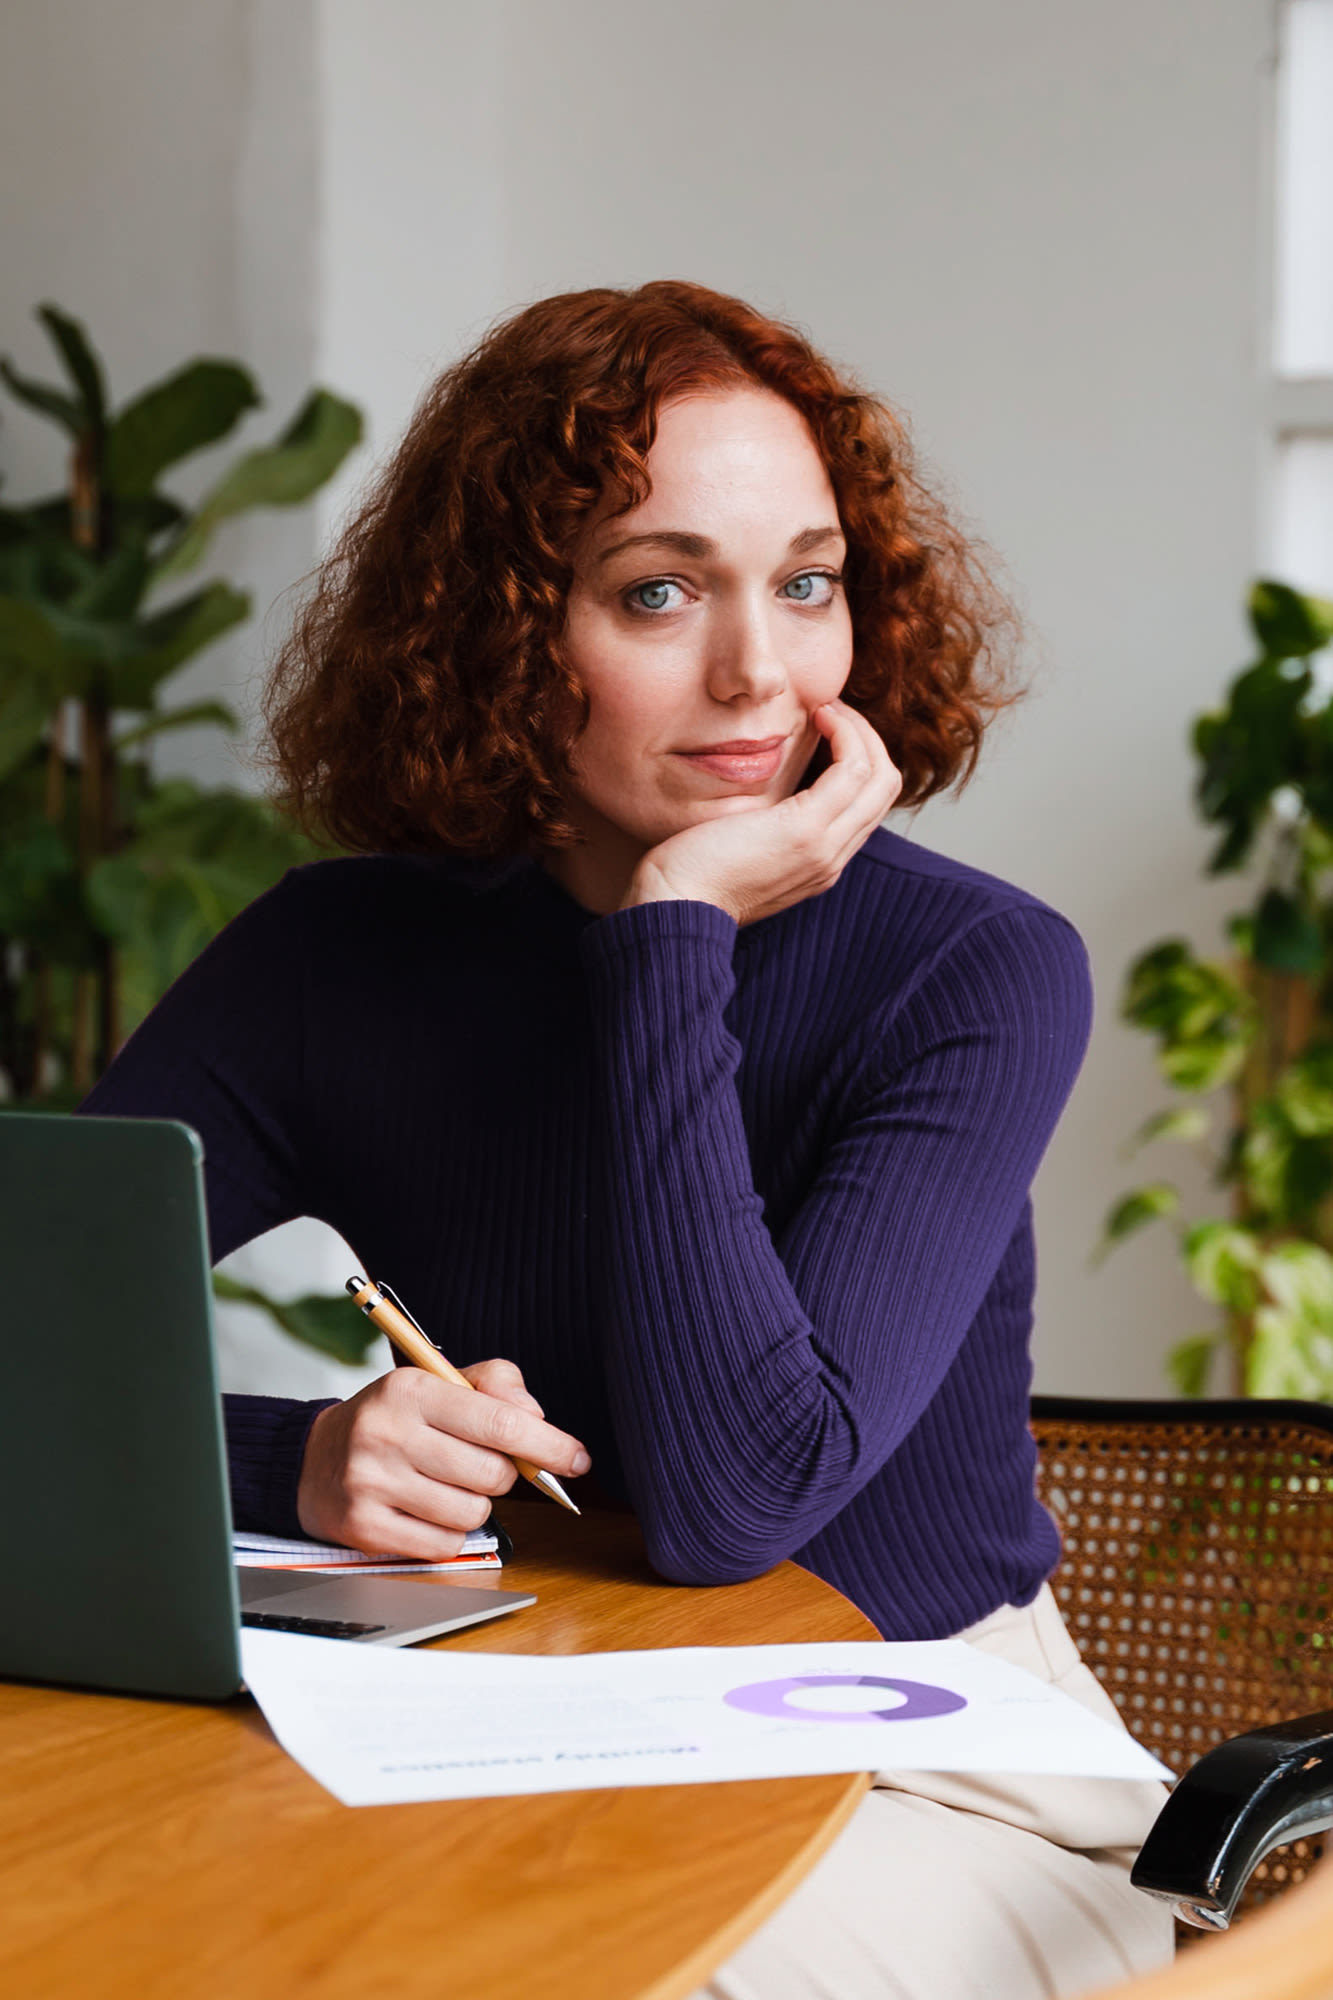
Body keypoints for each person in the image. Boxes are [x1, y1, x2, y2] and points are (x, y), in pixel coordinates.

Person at [80, 279, 1174, 1995]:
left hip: (926, 1765)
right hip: (515, 1718)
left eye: (805, 584)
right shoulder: (331, 955)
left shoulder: (973, 971)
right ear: (508, 631)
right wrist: (290, 1461)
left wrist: (670, 938)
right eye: (658, 591)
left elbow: (733, 1503)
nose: (758, 668)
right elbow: (26, 1351)